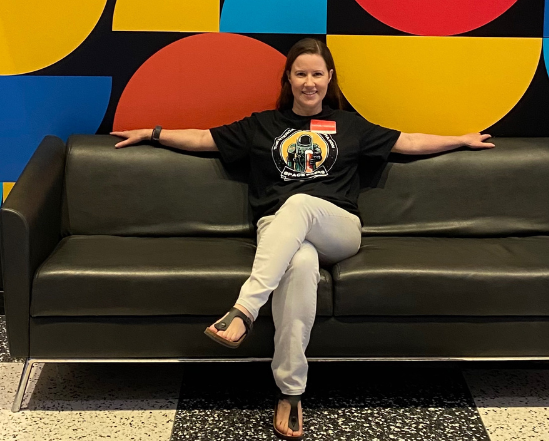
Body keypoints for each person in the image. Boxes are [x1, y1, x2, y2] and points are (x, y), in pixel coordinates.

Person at [111, 37, 494, 439]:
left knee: (298, 204)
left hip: (338, 227)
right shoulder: (262, 125)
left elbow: (409, 142)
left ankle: (243, 310)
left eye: (316, 74)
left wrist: (460, 140)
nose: (309, 82)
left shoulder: (349, 126)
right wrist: (153, 132)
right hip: (279, 234)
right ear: (288, 79)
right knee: (300, 263)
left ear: (329, 78)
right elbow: (204, 138)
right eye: (300, 74)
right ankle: (290, 392)